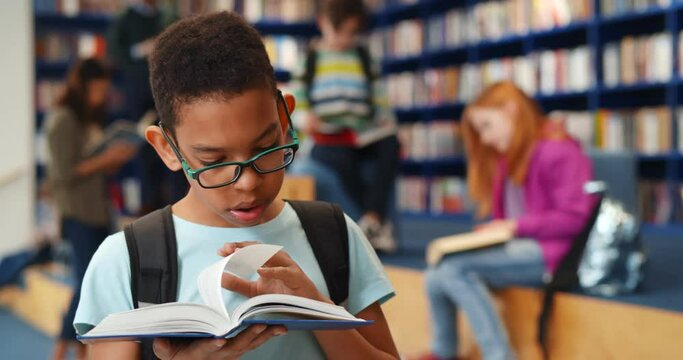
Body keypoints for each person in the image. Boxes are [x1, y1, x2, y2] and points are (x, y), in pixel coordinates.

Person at [74, 12, 399, 360]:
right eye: (214, 162)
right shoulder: (124, 259)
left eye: (264, 148)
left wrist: (317, 310)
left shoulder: (335, 234)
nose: (247, 183)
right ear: (167, 149)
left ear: (285, 121)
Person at [417, 82, 596, 360]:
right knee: (434, 274)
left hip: (553, 253)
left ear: (511, 111)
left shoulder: (558, 150)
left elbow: (573, 219)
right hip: (520, 245)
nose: (485, 138)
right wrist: (495, 232)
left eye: (487, 126)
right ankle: (443, 351)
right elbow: (510, 216)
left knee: (454, 268)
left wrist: (513, 227)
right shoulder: (508, 157)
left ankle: (499, 356)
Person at [45, 58, 137, 360]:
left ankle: (81, 351)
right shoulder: (62, 120)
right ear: (82, 86)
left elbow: (90, 168)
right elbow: (64, 173)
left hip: (98, 209)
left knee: (95, 281)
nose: (102, 96)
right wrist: (104, 159)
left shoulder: (88, 119)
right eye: (98, 89)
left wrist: (112, 161)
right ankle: (60, 349)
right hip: (77, 213)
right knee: (86, 281)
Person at [293, 0, 400, 252]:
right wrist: (304, 118)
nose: (345, 39)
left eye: (352, 32)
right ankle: (370, 225)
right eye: (339, 31)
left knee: (390, 145)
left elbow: (379, 99)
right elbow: (297, 101)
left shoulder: (363, 57)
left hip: (363, 133)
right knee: (340, 157)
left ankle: (372, 219)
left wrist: (387, 125)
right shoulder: (309, 60)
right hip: (327, 137)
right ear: (322, 24)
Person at [107, 0, 184, 214]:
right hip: (139, 91)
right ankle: (150, 203)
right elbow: (115, 51)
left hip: (167, 89)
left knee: (175, 141)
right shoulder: (126, 19)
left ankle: (180, 202)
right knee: (144, 146)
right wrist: (140, 50)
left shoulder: (168, 16)